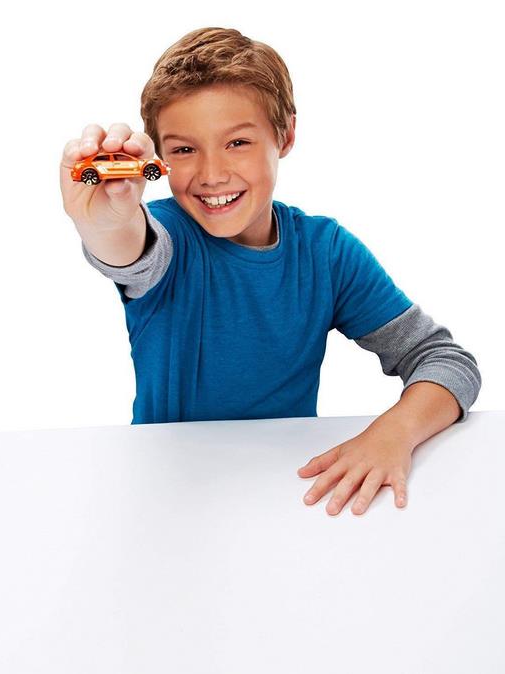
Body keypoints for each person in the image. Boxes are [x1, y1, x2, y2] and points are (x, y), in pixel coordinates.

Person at [59, 27, 481, 516]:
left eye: (237, 142)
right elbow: (127, 247)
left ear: (286, 136)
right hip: (168, 498)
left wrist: (393, 434)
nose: (212, 174)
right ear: (159, 158)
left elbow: (445, 360)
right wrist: (105, 223)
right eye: (184, 150)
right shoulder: (167, 238)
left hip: (292, 494)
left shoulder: (326, 253)